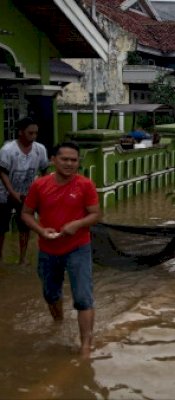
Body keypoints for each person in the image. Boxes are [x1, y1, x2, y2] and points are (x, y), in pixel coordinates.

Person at [21, 141, 101, 357]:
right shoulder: (40, 185)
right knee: (50, 294)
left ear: (78, 163)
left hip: (78, 247)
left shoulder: (85, 185)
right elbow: (26, 213)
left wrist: (76, 225)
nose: (69, 163)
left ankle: (86, 346)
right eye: (64, 159)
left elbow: (95, 214)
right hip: (48, 248)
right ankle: (58, 323)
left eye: (73, 160)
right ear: (53, 160)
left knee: (83, 297)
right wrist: (40, 230)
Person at [0, 117, 49, 265]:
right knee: (1, 227)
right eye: (30, 133)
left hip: (26, 193)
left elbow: (44, 171)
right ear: (21, 132)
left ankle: (23, 259)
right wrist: (12, 193)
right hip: (3, 193)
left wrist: (39, 190)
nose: (33, 136)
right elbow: (2, 173)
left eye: (35, 133)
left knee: (25, 226)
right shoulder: (8, 150)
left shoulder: (40, 149)